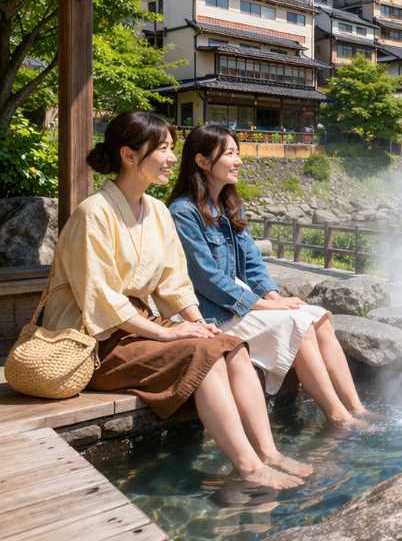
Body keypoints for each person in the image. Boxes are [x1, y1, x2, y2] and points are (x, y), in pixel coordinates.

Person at [42, 111, 311, 489]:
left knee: (229, 345)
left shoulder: (155, 210)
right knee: (204, 355)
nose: (172, 158)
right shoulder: (94, 213)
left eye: (171, 148)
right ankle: (248, 467)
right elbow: (101, 300)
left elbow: (174, 282)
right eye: (163, 149)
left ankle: (269, 453)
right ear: (129, 155)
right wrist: (169, 333)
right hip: (94, 338)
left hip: (137, 325)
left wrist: (197, 322)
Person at [168, 125, 370, 428]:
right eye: (230, 154)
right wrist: (264, 305)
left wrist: (275, 297)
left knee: (321, 319)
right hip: (213, 311)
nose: (239, 161)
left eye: (238, 153)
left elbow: (252, 262)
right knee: (299, 326)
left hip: (239, 303)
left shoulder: (229, 206)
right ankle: (338, 416)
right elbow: (205, 277)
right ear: (202, 161)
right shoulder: (184, 212)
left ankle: (357, 408)